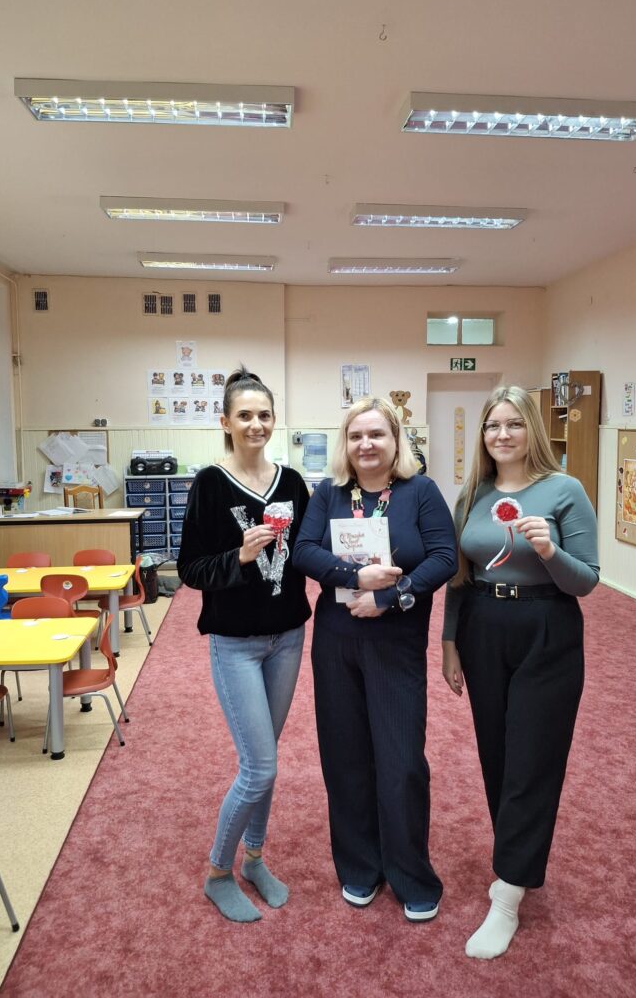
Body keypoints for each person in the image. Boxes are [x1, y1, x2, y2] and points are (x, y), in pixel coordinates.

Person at [441, 385, 599, 959]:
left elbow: (587, 580)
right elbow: (459, 576)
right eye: (492, 425)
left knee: (533, 758)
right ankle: (517, 860)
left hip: (546, 629)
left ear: (531, 428)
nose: (502, 434)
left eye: (513, 424)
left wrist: (551, 552)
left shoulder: (564, 490)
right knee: (498, 755)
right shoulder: (473, 493)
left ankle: (507, 895)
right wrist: (449, 642)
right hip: (483, 627)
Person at [293, 397, 457, 922]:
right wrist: (353, 577)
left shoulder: (420, 491)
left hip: (396, 642)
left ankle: (411, 874)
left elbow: (445, 557)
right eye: (356, 435)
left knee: (402, 761)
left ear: (395, 440)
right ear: (346, 443)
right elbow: (303, 550)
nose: (366, 444)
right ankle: (360, 866)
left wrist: (390, 596)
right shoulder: (329, 491)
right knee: (345, 756)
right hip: (337, 640)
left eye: (377, 434)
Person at [177, 367, 311, 923]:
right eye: (245, 415)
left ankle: (254, 859)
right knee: (259, 767)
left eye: (265, 415)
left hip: (288, 638)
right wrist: (240, 557)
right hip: (235, 643)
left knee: (267, 761)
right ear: (225, 422)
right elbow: (189, 569)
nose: (256, 424)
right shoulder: (210, 484)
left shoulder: (293, 482)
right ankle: (218, 873)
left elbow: (309, 551)